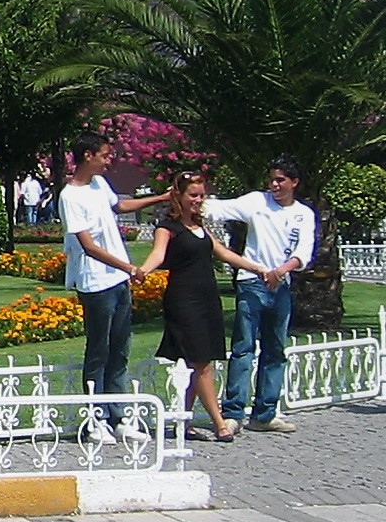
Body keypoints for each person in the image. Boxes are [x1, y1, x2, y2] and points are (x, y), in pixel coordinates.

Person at [57, 132, 165, 442]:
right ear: (88, 155)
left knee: (121, 349)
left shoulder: (99, 185)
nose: (109, 160)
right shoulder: (70, 196)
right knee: (99, 351)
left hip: (117, 281)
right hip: (95, 282)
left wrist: (160, 198)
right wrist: (129, 267)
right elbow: (88, 246)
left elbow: (120, 205)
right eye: (104, 155)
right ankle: (95, 419)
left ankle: (118, 416)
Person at [203, 156, 319, 434]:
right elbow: (219, 209)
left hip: (280, 286)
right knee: (243, 347)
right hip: (251, 283)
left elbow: (304, 251)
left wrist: (281, 271)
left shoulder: (304, 214)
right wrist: (189, 197)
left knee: (275, 350)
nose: (275, 185)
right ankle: (233, 412)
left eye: (281, 180)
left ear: (295, 183)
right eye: (272, 179)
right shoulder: (257, 201)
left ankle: (265, 413)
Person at [143, 173, 255, 441]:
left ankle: (183, 420)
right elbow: (158, 255)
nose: (198, 200)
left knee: (200, 362)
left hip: (207, 298)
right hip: (184, 300)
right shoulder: (167, 227)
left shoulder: (200, 227)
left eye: (201, 195)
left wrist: (257, 268)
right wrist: (141, 271)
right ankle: (220, 423)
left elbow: (223, 253)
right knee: (201, 362)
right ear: (179, 196)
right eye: (192, 195)